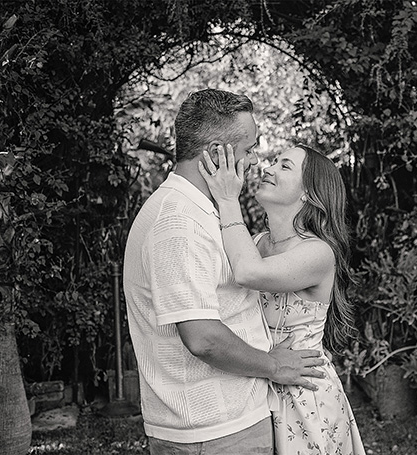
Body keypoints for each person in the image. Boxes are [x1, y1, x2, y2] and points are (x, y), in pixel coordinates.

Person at [123, 89, 327, 454]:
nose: (252, 164)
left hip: (226, 424)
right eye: (248, 150)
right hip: (214, 431)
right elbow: (203, 337)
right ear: (218, 152)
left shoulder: (199, 211)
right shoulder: (180, 221)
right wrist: (272, 365)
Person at [199, 142, 365, 454]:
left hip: (305, 395)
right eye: (273, 162)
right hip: (260, 383)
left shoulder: (318, 252)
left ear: (308, 193)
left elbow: (248, 273)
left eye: (284, 166)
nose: (268, 169)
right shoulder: (256, 242)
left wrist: (226, 198)